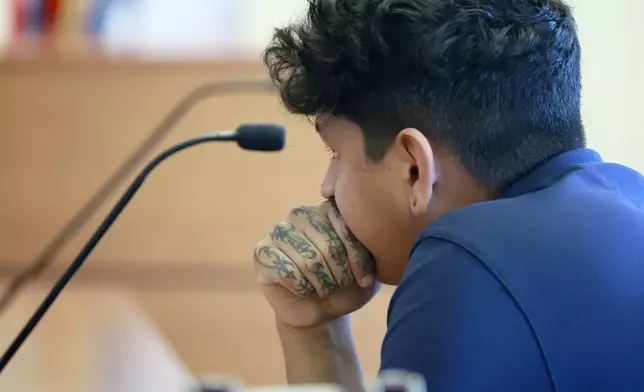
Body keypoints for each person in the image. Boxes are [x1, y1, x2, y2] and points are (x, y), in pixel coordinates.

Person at [253, 0, 644, 391]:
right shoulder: (629, 196)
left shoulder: (465, 261)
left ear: (415, 168)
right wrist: (316, 325)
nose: (326, 186)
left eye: (335, 154)